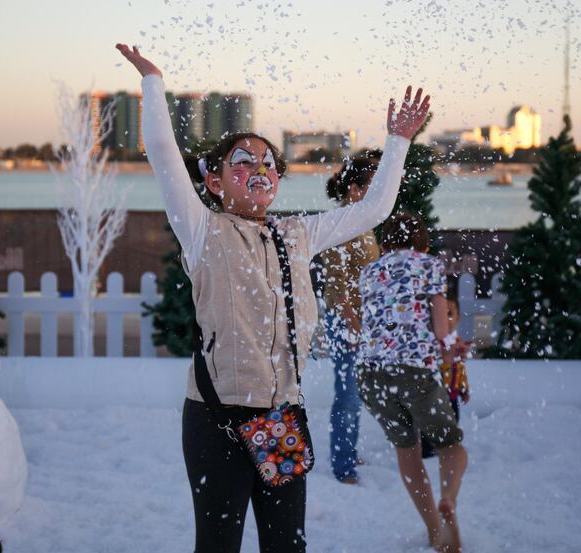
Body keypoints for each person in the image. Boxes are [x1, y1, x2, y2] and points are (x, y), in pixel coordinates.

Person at [116, 43, 429, 553]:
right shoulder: (202, 231)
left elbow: (374, 209)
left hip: (280, 418)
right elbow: (164, 153)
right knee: (218, 545)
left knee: (287, 545)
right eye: (243, 161)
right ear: (214, 182)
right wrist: (153, 82)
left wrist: (396, 142)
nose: (259, 168)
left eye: (269, 162)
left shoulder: (299, 235)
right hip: (216, 423)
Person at [356, 212, 469, 553]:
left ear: (386, 242)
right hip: (413, 372)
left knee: (407, 451)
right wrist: (451, 349)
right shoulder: (429, 265)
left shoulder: (370, 271)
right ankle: (447, 499)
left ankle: (435, 531)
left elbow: (375, 322)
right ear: (423, 243)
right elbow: (439, 326)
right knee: (451, 446)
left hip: (371, 374)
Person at [321, 156, 381, 484]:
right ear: (356, 189)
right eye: (372, 185)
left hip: (360, 318)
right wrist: (354, 325)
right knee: (347, 392)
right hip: (345, 318)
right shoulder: (341, 222)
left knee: (354, 390)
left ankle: (348, 451)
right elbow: (338, 283)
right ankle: (343, 464)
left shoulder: (362, 220)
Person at [422, 293, 471, 459]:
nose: (446, 319)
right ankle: (427, 449)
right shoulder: (431, 341)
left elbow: (460, 368)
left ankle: (446, 445)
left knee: (453, 418)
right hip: (433, 393)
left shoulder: (457, 341)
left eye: (450, 314)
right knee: (430, 421)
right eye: (441, 314)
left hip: (452, 393)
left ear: (458, 317)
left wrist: (463, 388)